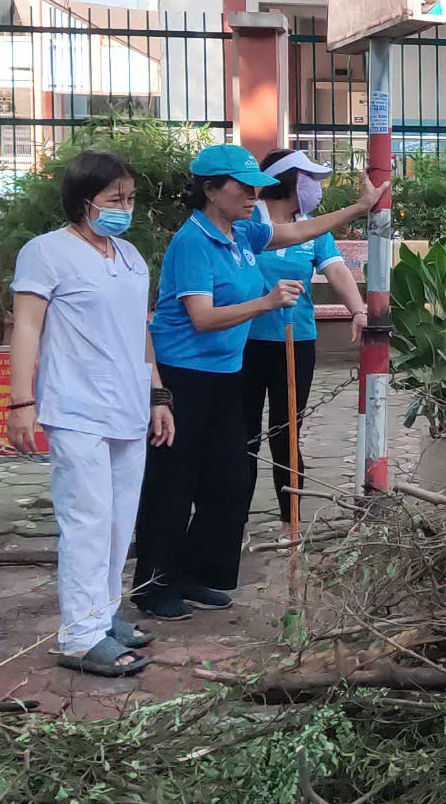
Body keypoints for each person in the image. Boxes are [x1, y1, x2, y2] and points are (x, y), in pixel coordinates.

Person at [136, 145, 384, 619]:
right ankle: (154, 586)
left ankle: (197, 574)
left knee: (226, 481)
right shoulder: (193, 243)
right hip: (185, 377)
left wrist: (358, 208)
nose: (253, 196)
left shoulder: (241, 233)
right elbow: (203, 318)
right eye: (242, 188)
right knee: (175, 485)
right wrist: (266, 303)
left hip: (226, 374)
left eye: (257, 188)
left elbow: (297, 230)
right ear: (210, 190)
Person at [5, 151, 174, 678]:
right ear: (83, 202)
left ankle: (102, 616)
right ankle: (79, 636)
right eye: (114, 199)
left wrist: (157, 393)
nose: (125, 208)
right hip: (74, 405)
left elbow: (137, 329)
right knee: (86, 520)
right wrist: (20, 401)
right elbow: (27, 327)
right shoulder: (46, 252)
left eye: (129, 198)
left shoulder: (128, 256)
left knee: (120, 519)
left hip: (126, 403)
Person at [239, 148, 367, 527]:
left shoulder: (313, 228)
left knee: (287, 431)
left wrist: (357, 309)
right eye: (309, 179)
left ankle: (289, 521)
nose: (316, 187)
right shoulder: (249, 222)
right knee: (244, 434)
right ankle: (235, 525)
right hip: (246, 341)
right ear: (287, 182)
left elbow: (337, 271)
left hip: (297, 342)